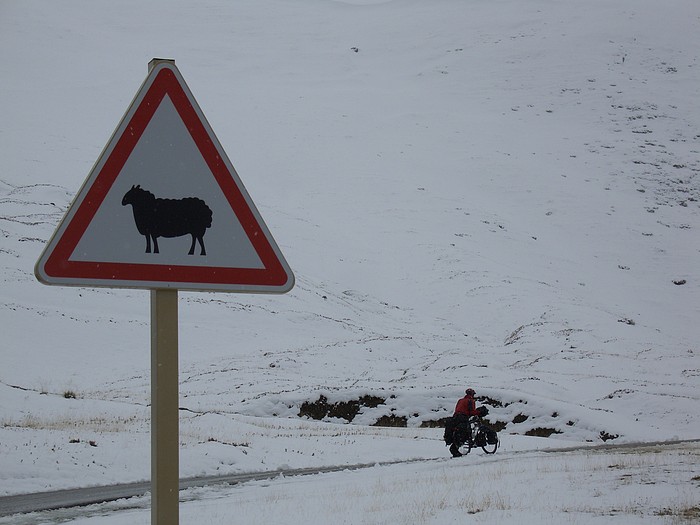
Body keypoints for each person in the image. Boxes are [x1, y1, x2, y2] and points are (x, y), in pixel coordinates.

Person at [449, 388, 483, 457]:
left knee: (459, 431)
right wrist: (479, 412)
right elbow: (472, 412)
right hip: (463, 418)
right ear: (472, 394)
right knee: (466, 432)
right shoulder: (471, 401)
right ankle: (465, 444)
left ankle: (455, 447)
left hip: (455, 417)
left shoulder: (460, 400)